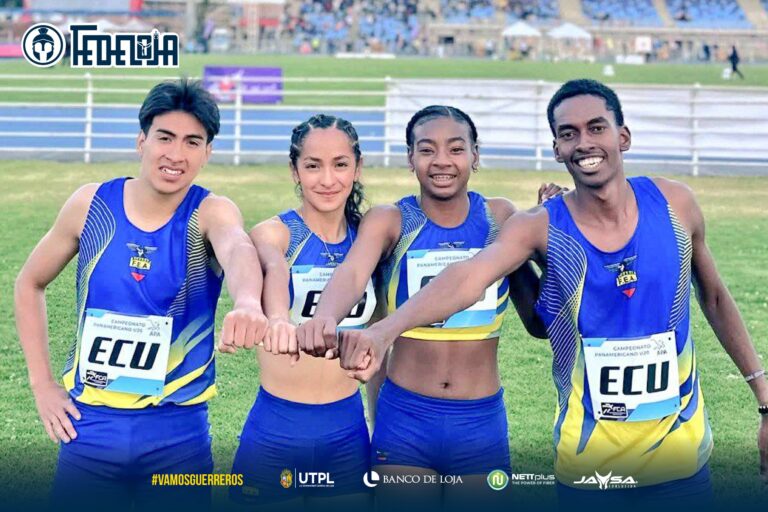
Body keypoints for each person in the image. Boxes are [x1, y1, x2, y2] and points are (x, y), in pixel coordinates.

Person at [335, 80, 768, 504]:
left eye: (596, 128)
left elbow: (714, 298)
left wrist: (764, 401)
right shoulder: (536, 225)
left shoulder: (676, 204)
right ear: (557, 148)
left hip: (682, 460)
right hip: (588, 467)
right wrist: (385, 330)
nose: (584, 142)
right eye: (568, 134)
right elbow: (467, 277)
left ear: (623, 136)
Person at [14, 78, 268, 510]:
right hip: (90, 427)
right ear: (141, 141)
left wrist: (247, 302)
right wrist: (41, 385)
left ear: (207, 153)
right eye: (164, 138)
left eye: (193, 142)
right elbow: (29, 282)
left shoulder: (210, 211)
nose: (176, 154)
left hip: (179, 433)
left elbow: (238, 247)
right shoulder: (91, 204)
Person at [296, 105, 561, 509]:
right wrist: (325, 318)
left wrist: (551, 237)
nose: (441, 161)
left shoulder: (500, 217)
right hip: (405, 419)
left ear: (475, 154)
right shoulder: (390, 220)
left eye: (456, 149)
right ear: (410, 158)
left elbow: (540, 324)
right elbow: (351, 275)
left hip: (481, 422)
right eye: (427, 149)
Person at [226, 114, 377, 509]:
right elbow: (274, 267)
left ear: (357, 167)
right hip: (275, 430)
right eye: (313, 166)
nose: (327, 180)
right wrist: (278, 319)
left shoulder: (370, 243)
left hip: (347, 430)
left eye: (340, 164)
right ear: (295, 170)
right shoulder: (275, 232)